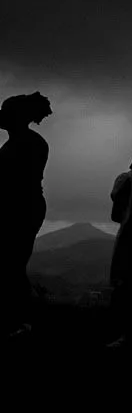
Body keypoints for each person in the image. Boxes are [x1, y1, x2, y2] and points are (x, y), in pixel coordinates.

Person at [1, 92, 51, 335]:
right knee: (12, 264)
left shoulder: (24, 144)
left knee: (12, 264)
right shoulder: (26, 142)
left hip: (21, 207)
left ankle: (21, 321)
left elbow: (14, 181)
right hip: (23, 206)